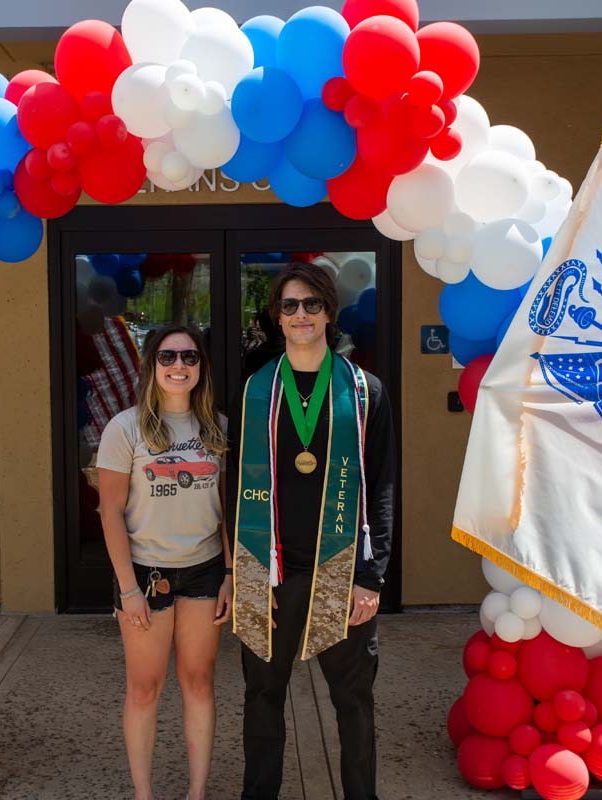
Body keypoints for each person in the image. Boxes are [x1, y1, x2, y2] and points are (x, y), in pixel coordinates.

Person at [229, 262, 396, 800]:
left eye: (312, 304)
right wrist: (236, 571)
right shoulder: (255, 390)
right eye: (289, 306)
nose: (301, 315)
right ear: (277, 317)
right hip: (266, 567)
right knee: (261, 699)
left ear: (329, 312)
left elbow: (383, 485)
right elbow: (234, 486)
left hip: (341, 570)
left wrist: (372, 577)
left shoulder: (366, 391)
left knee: (353, 703)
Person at [97, 324, 234, 800]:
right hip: (145, 573)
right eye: (169, 356)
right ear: (152, 364)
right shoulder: (125, 427)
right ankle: (144, 794)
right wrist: (128, 588)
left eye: (190, 357)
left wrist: (231, 574)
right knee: (144, 688)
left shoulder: (216, 427)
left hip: (205, 570)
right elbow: (110, 511)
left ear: (201, 367)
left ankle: (197, 793)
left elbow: (225, 510)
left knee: (198, 683)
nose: (179, 366)